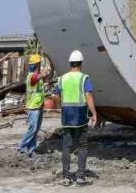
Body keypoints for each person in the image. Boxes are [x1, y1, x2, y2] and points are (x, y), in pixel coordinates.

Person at [59, 49, 98, 186]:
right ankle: (80, 177)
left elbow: (57, 94)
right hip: (80, 117)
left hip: (66, 117)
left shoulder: (62, 78)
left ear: (70, 63)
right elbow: (88, 96)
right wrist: (94, 113)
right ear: (81, 63)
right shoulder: (83, 78)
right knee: (82, 146)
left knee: (66, 147)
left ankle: (66, 177)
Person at [18, 53, 50, 156]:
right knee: (33, 128)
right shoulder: (31, 76)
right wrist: (44, 73)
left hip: (38, 105)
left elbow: (42, 86)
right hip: (33, 107)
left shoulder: (37, 77)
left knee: (35, 130)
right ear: (37, 64)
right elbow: (37, 78)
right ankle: (22, 146)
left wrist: (46, 82)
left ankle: (31, 150)